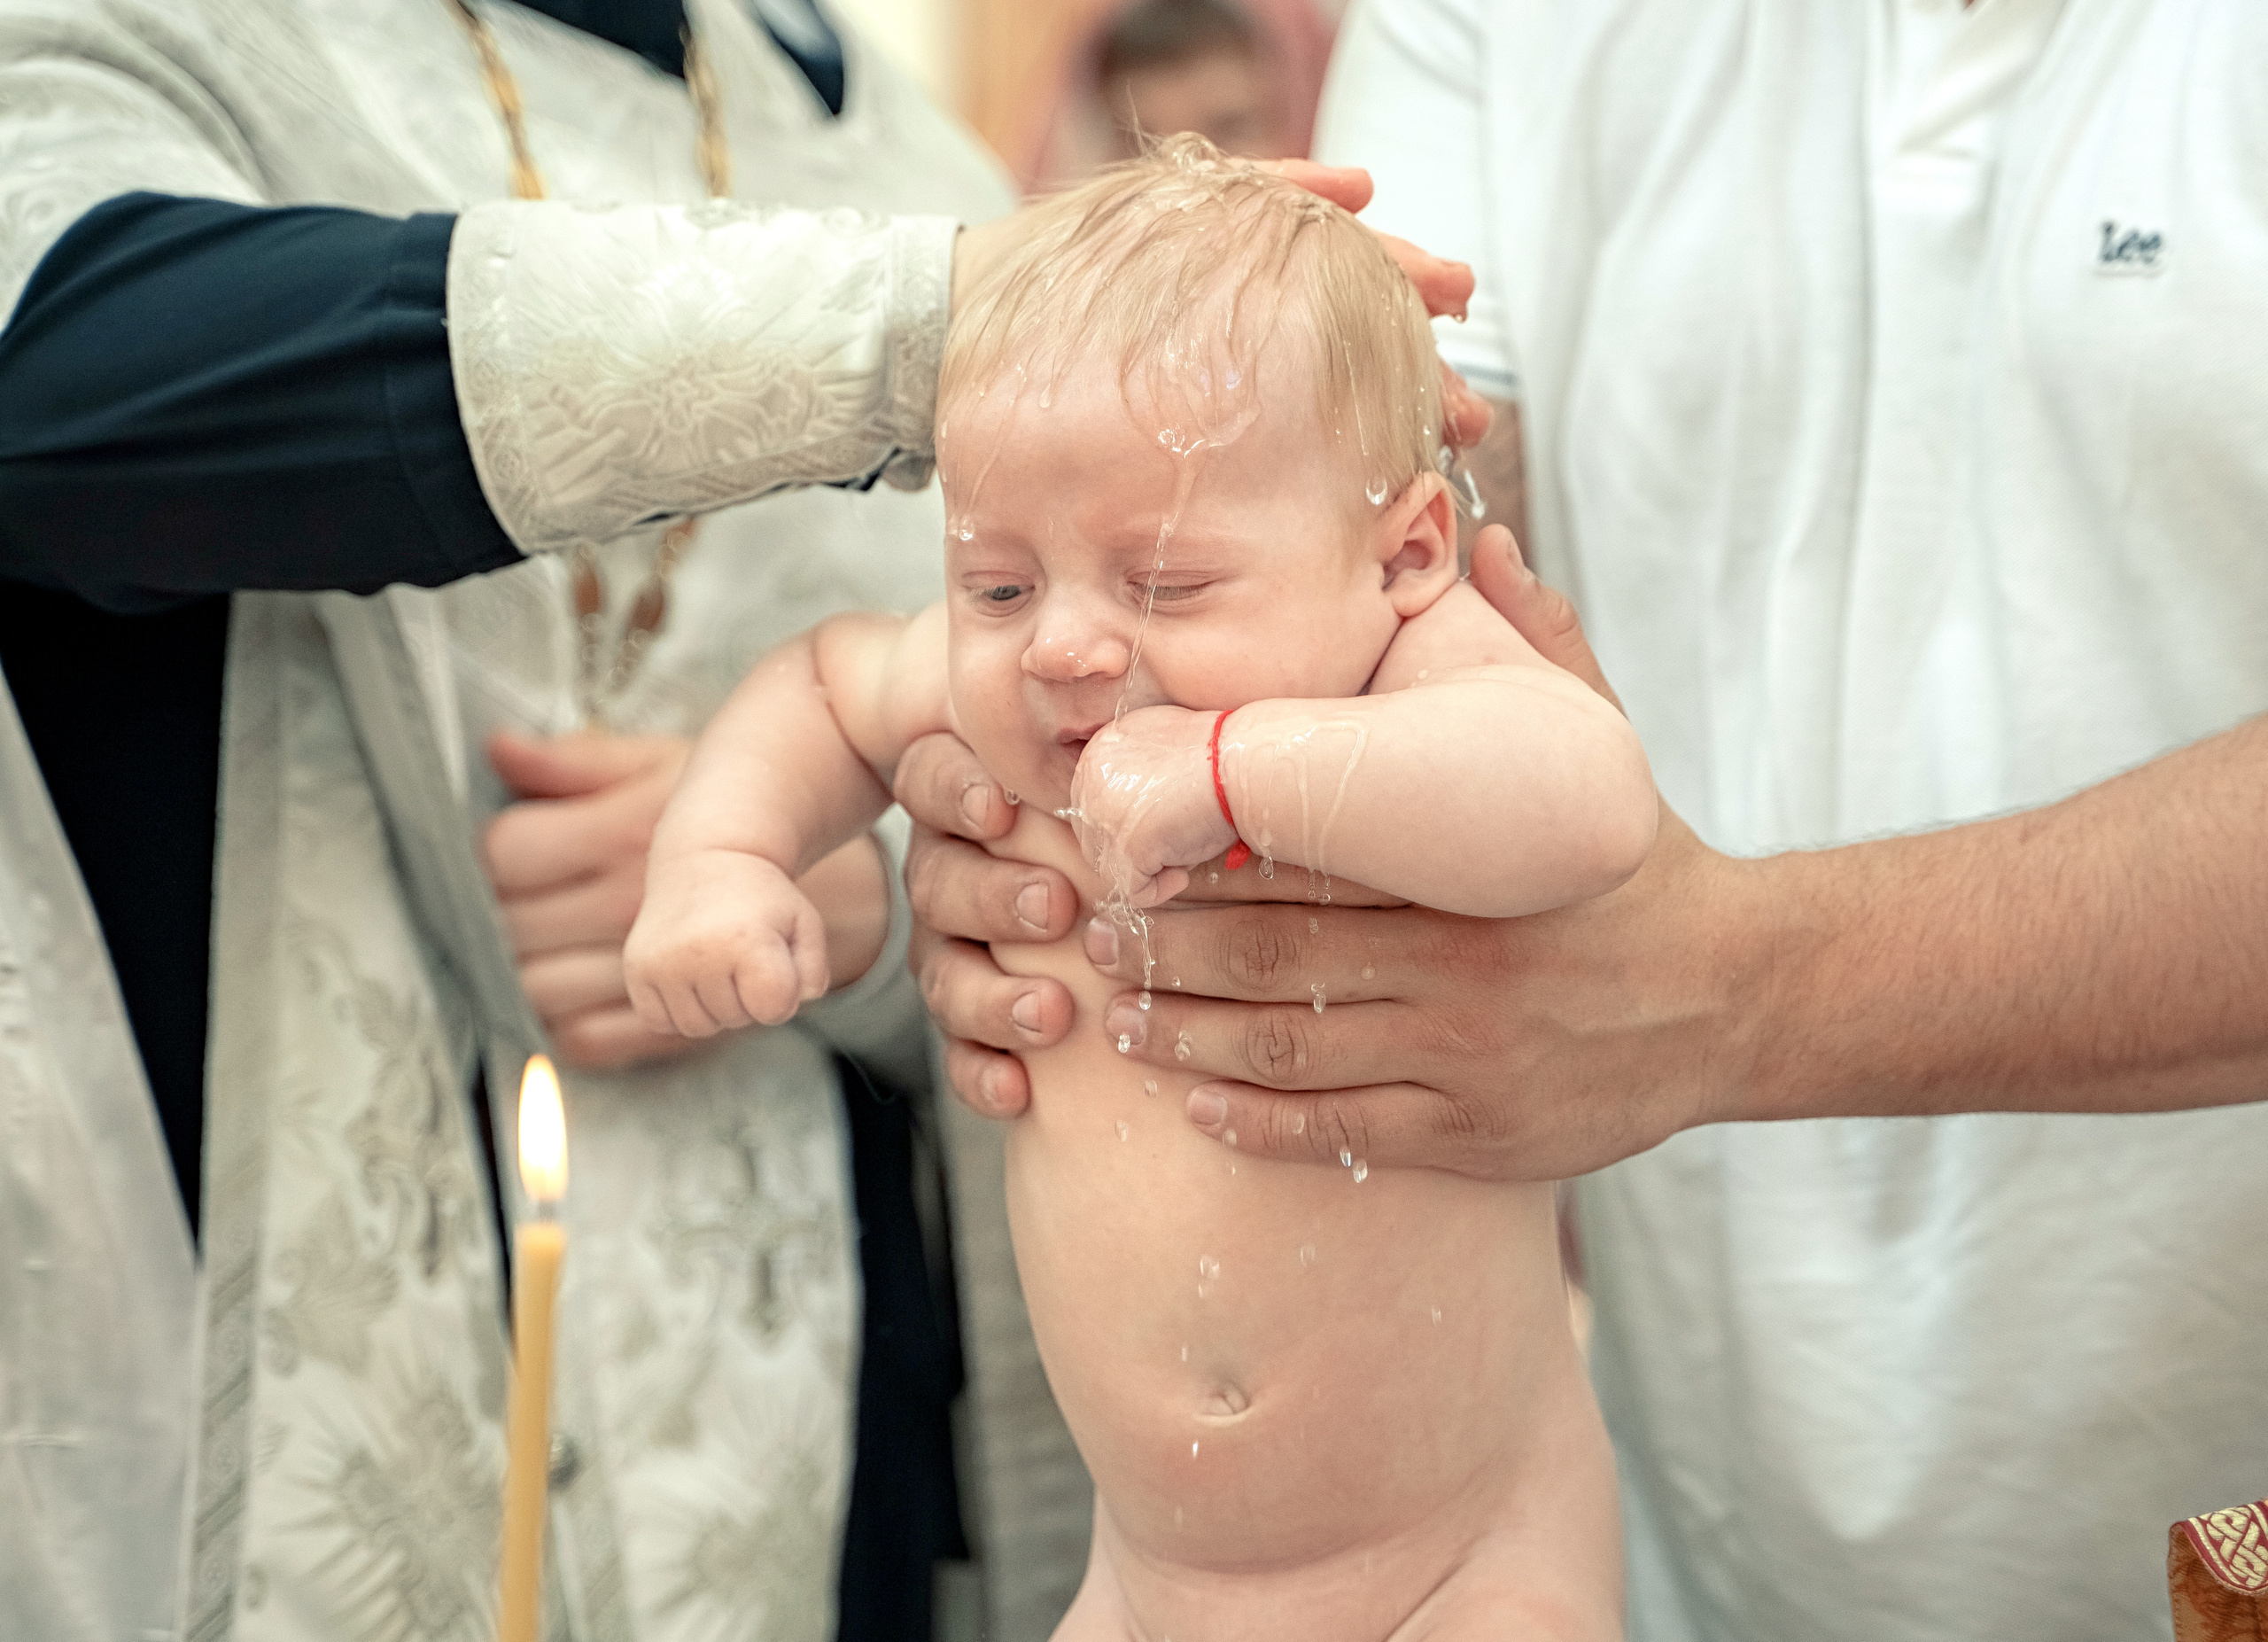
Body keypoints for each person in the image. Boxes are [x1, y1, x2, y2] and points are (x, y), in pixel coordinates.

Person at [0, 4, 1479, 1635]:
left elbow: (1027, 734)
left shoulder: (887, 142)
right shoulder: (142, 34)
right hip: (299, 1318)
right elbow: (56, 374)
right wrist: (925, 320)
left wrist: (861, 890)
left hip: (819, 1360)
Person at [896, 2, 2268, 1639]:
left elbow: (1496, 703)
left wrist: (1738, 988)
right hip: (1683, 1485)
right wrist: (1002, 781)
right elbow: (1363, 514)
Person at [623, 141, 1647, 1641]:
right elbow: (827, 686)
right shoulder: (1010, 714)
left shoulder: (1410, 664)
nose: (1064, 645)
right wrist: (716, 859)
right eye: (998, 584)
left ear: (1404, 550)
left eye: (1164, 585)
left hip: (1469, 1560)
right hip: (1152, 1581)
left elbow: (1589, 798)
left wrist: (1247, 770)